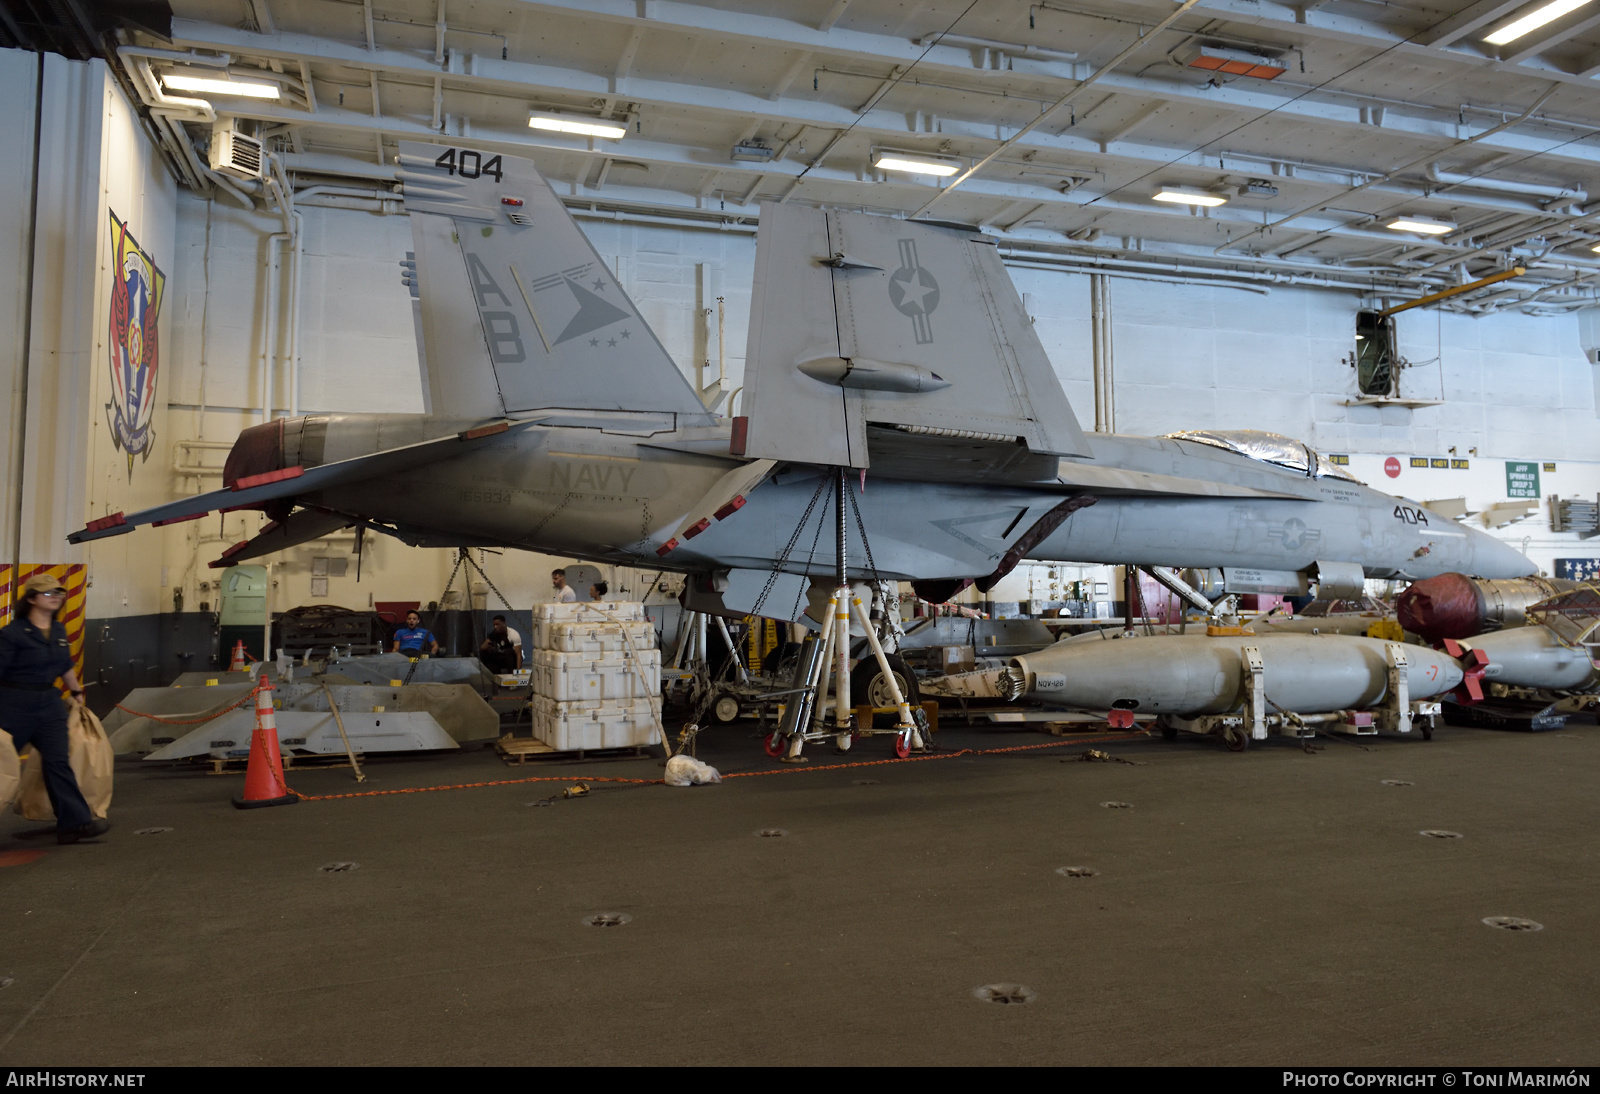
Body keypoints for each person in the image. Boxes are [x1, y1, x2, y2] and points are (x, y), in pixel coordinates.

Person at [0, 573, 108, 844]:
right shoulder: (12, 634)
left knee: (58, 762)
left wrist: (76, 692)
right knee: (2, 765)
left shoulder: (59, 631)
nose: (56, 597)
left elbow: (64, 664)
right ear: (33, 599)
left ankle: (74, 824)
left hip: (49, 706)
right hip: (14, 704)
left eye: (58, 593)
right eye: (49, 593)